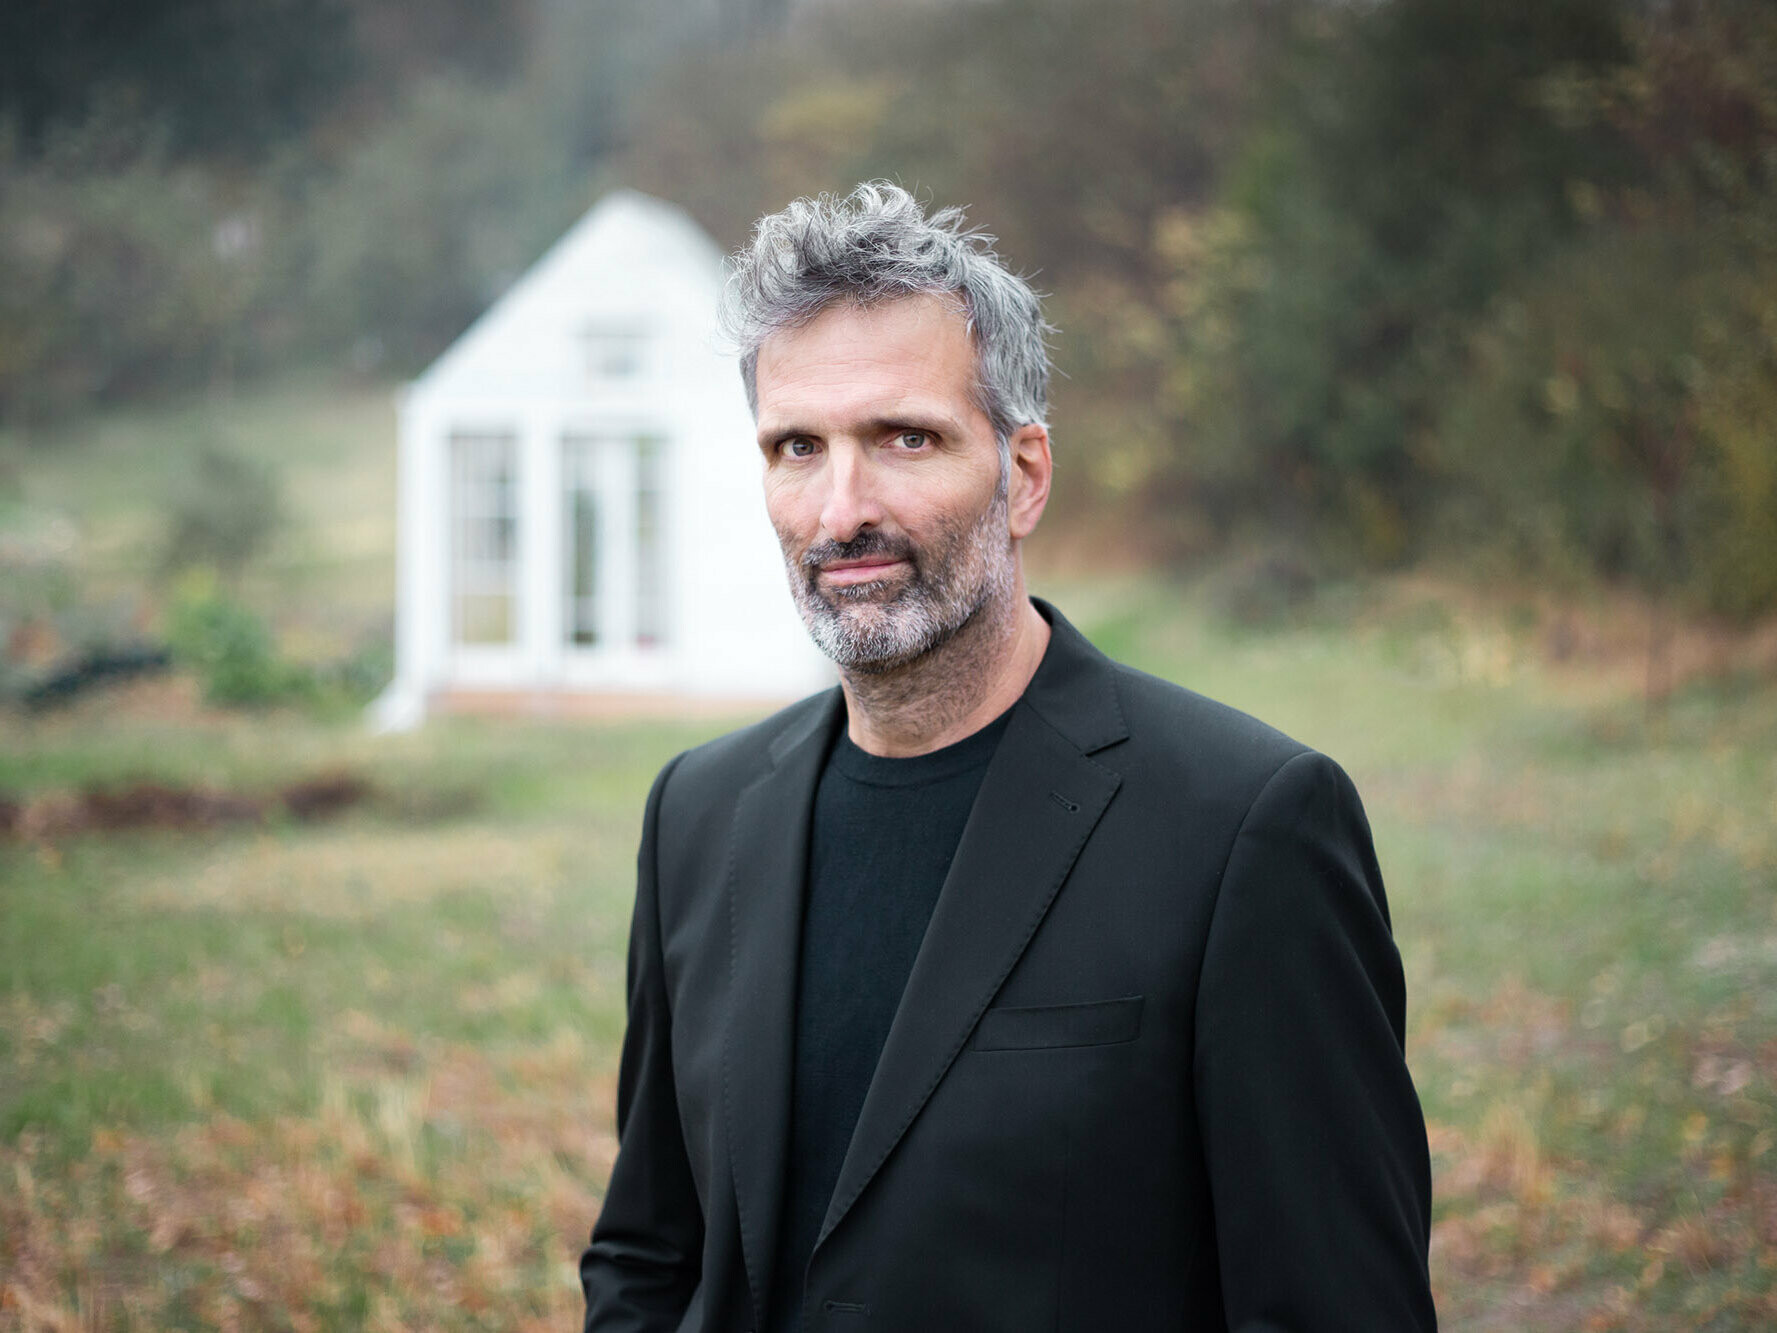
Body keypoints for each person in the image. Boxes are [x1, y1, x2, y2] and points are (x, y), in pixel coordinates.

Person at [581, 182, 1436, 1332]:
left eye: (904, 438)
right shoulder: (698, 812)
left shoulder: (1248, 827)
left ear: (1023, 474)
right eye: (797, 447)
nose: (842, 510)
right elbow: (648, 1252)